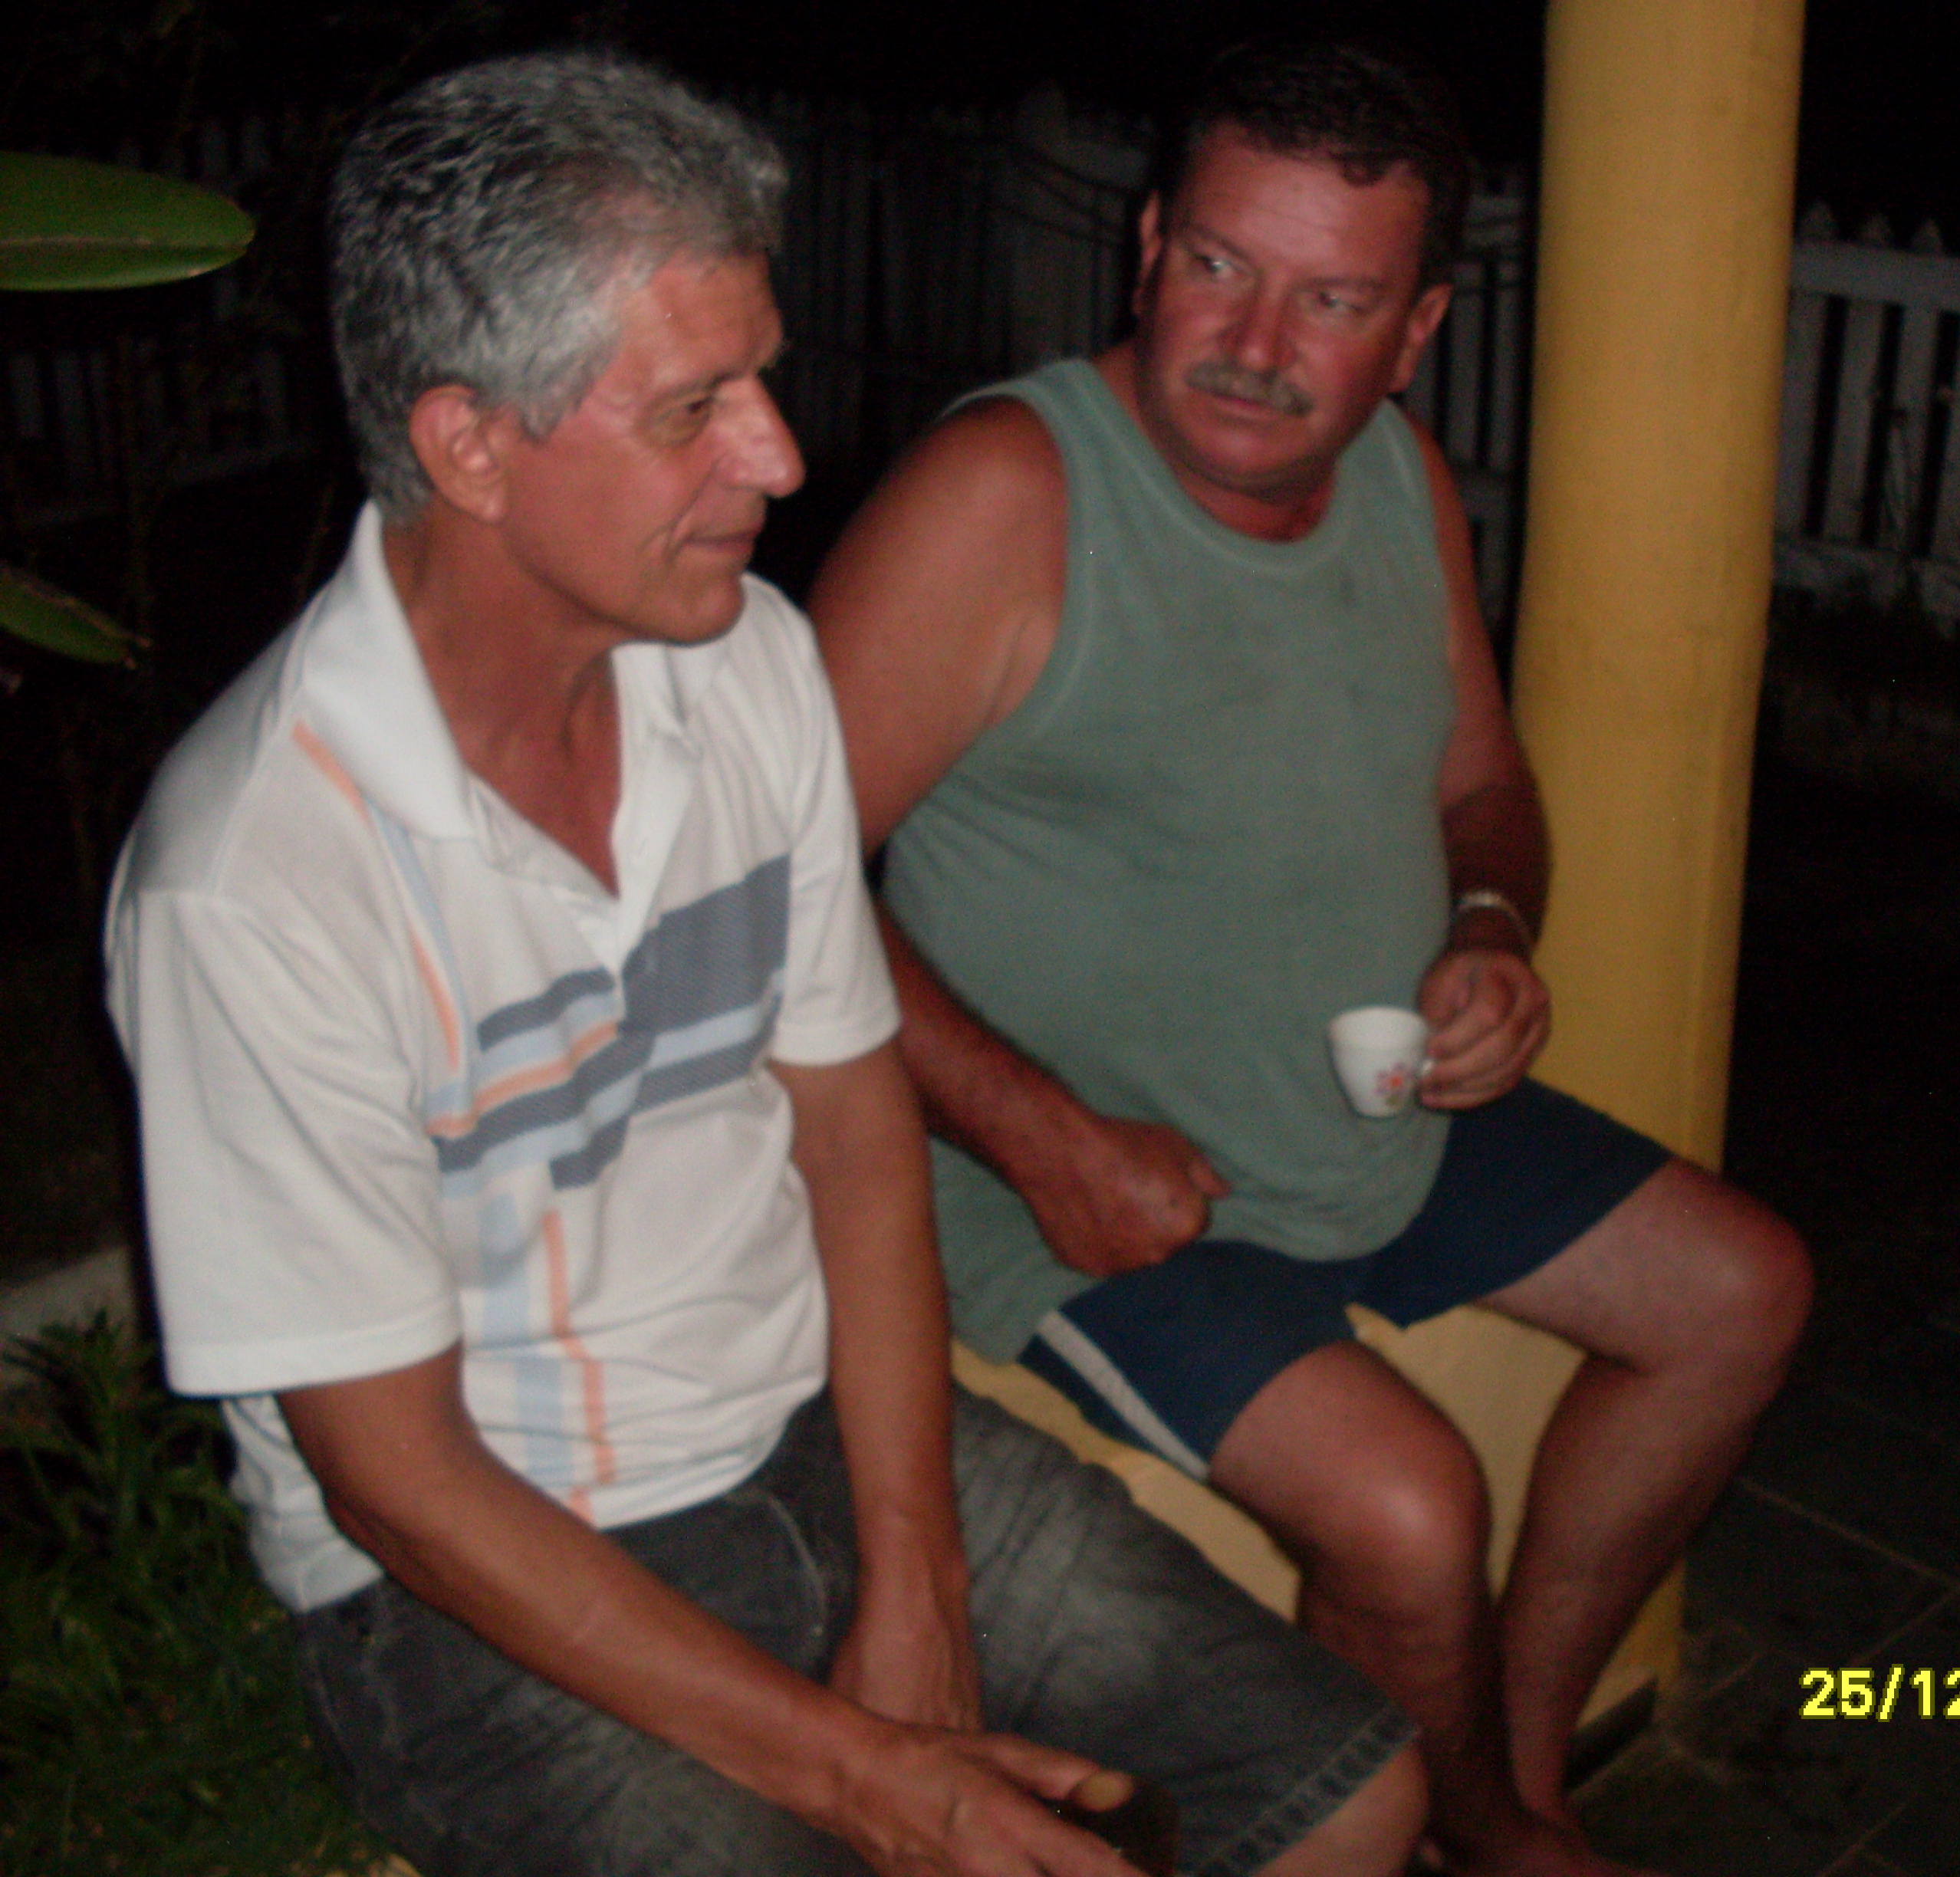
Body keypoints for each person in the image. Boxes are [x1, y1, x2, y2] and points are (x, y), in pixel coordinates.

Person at [103, 50, 1426, 1877]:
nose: (780, 457)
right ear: (468, 444)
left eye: (763, 379)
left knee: (1354, 1800)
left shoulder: (747, 671)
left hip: (804, 1421)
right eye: (693, 410)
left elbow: (857, 1138)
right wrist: (869, 1776)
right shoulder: (256, 875)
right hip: (480, 1575)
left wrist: (920, 1573)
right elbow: (398, 1487)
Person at [811, 38, 1814, 1877]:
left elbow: (1484, 786)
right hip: (1076, 1185)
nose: (1255, 343)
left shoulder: (1399, 480)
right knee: (1410, 1509)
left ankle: (1509, 1783)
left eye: (1334, 300)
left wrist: (1493, 929)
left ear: (1415, 331)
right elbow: (765, 884)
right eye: (1218, 264)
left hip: (1363, 1107)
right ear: (1147, 246)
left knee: (1739, 1292)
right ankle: (1484, 1826)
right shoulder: (1008, 493)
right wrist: (1036, 1134)